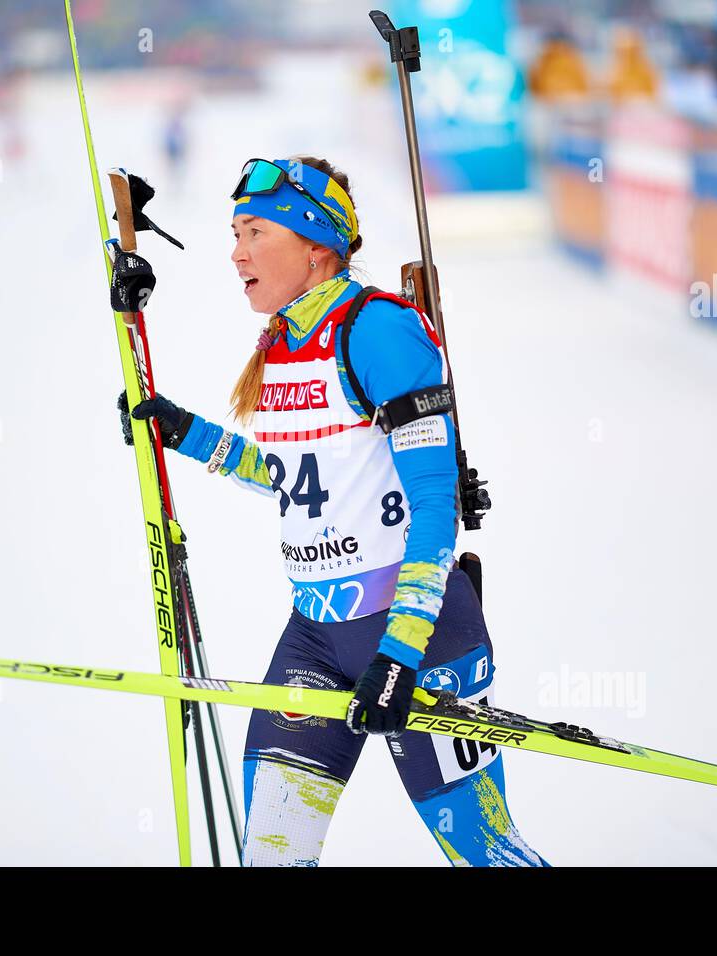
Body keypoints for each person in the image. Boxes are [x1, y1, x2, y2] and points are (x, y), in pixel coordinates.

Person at [116, 156, 548, 867]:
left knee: (485, 853)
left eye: (254, 231)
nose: (236, 252)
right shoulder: (282, 341)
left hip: (423, 636)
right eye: (234, 233)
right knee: (276, 856)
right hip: (314, 638)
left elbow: (434, 505)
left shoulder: (378, 328)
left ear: (316, 242)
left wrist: (399, 654)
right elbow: (291, 475)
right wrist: (184, 432)